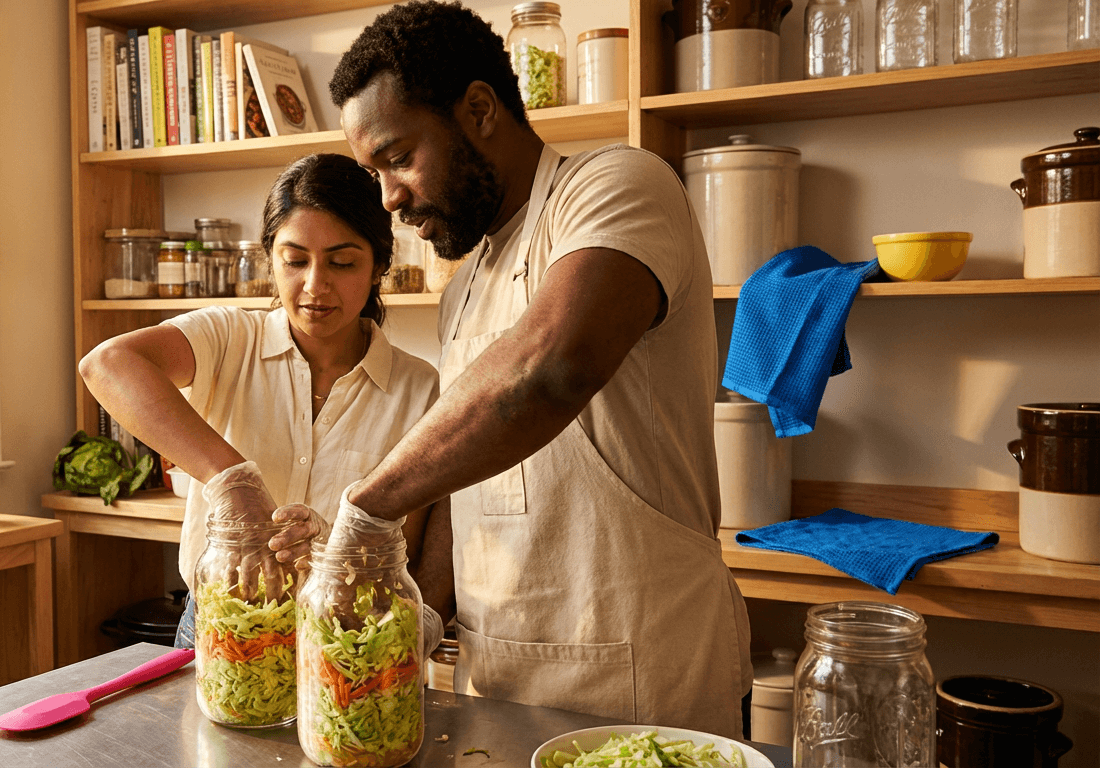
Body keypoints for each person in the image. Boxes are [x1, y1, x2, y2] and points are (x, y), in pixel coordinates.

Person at [318, 0, 753, 738]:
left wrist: (370, 507)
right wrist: (421, 612)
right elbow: (472, 483)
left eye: (397, 158)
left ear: (480, 109)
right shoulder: (462, 290)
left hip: (644, 680)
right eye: (373, 171)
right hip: (502, 681)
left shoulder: (614, 185)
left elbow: (549, 369)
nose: (388, 198)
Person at [78, 153, 451, 649]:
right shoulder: (229, 337)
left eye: (342, 262)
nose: (315, 286)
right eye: (295, 261)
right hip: (219, 630)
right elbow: (106, 365)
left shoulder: (421, 390)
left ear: (380, 264)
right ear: (269, 258)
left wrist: (333, 562)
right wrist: (233, 482)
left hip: (345, 648)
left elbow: (414, 551)